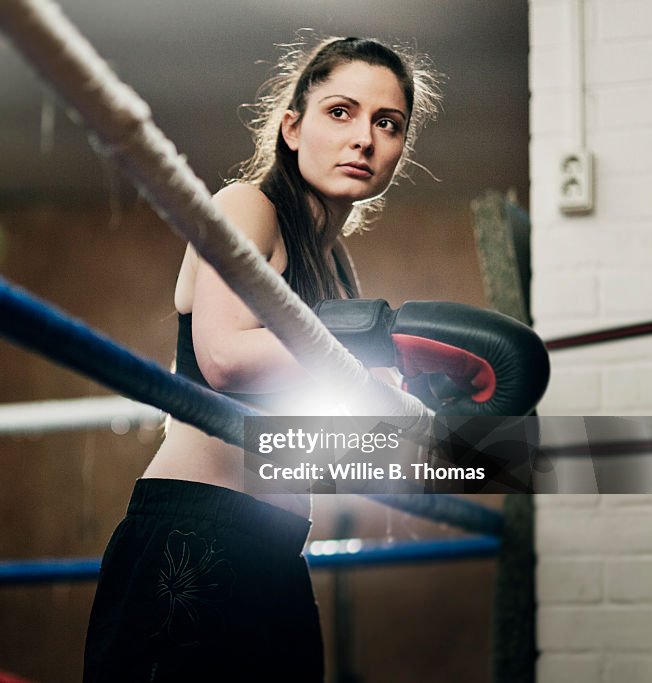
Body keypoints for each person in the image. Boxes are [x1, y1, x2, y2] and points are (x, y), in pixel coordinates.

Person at [83, 36, 441, 682]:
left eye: (387, 123)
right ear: (293, 125)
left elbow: (301, 433)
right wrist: (365, 371)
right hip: (192, 529)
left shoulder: (335, 267)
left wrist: (417, 413)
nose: (364, 137)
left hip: (275, 547)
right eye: (341, 112)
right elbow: (222, 355)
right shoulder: (247, 207)